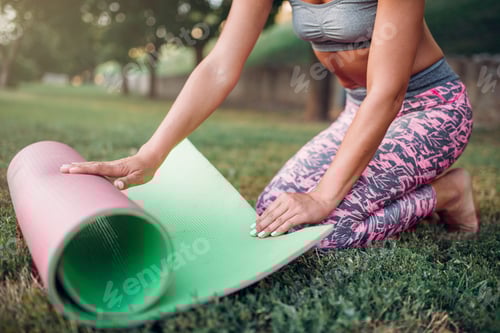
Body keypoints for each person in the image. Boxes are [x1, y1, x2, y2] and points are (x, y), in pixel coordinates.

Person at [60, 0, 480, 249]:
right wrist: (151, 155)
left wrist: (322, 196)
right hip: (357, 111)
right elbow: (221, 66)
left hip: (430, 110)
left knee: (324, 234)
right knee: (273, 217)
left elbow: (388, 92)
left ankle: (448, 192)